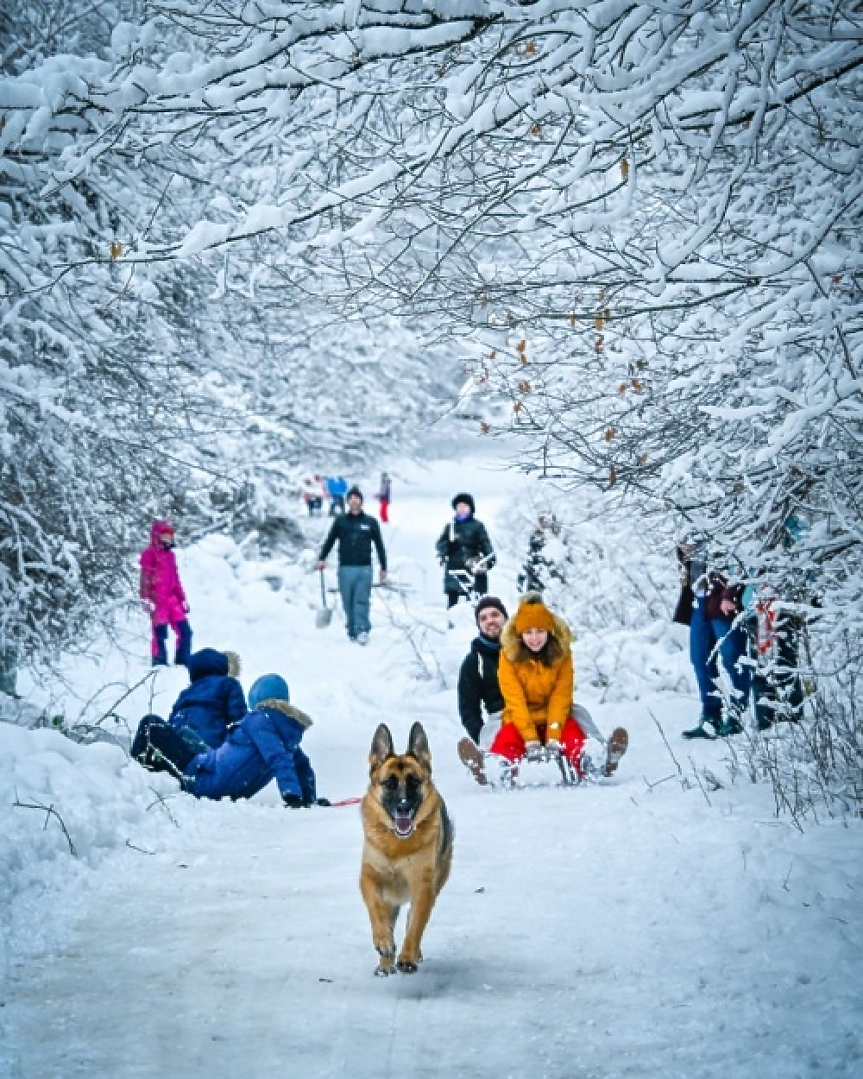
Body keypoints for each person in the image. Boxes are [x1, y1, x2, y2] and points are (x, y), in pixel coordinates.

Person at [457, 593, 628, 785]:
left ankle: (597, 757)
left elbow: (560, 696)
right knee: (499, 735)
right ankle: (491, 765)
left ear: (507, 618)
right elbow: (475, 705)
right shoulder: (481, 660)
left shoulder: (555, 651)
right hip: (510, 712)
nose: (490, 621)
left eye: (495, 615)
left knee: (578, 720)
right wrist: (483, 732)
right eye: (483, 618)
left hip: (552, 711)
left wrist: (553, 736)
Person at [131, 673, 328, 807]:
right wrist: (308, 799)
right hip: (214, 772)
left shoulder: (259, 719)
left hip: (201, 779)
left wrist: (291, 796)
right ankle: (156, 773)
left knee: (151, 725)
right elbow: (301, 766)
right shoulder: (284, 735)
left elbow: (279, 758)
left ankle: (129, 780)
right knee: (184, 733)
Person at [673, 532, 752, 739]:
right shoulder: (691, 521)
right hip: (698, 602)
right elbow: (689, 562)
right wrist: (683, 551)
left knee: (733, 658)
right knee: (700, 660)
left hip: (723, 603)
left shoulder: (722, 519)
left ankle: (736, 715)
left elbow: (738, 560)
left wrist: (729, 595)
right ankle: (711, 716)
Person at [316, 486, 387, 644]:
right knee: (347, 601)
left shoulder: (370, 522)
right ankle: (352, 628)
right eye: (351, 498)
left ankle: (362, 629)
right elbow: (330, 540)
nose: (354, 501)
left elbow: (380, 546)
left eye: (357, 498)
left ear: (361, 501)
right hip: (345, 568)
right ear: (348, 501)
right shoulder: (341, 521)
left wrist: (383, 567)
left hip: (364, 568)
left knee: (361, 599)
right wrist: (322, 558)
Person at [167, 648, 247, 749]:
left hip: (177, 741)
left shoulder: (186, 692)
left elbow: (171, 719)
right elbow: (239, 716)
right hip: (210, 742)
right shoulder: (228, 683)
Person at [139, 519, 192, 667]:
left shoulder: (170, 555)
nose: (168, 538)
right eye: (164, 535)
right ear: (157, 535)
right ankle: (159, 661)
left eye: (170, 535)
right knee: (159, 634)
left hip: (172, 600)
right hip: (158, 601)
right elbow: (145, 578)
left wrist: (182, 598)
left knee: (185, 631)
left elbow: (176, 578)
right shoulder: (149, 554)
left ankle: (183, 660)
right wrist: (146, 598)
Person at [435, 493, 495, 610]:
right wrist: (446, 548)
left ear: (471, 508)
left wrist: (490, 558)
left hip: (473, 564)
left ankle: (473, 622)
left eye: (464, 506)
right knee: (453, 599)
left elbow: (485, 543)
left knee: (474, 599)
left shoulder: (478, 526)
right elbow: (440, 543)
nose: (461, 509)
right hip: (454, 564)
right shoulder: (450, 527)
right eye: (459, 506)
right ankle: (452, 624)